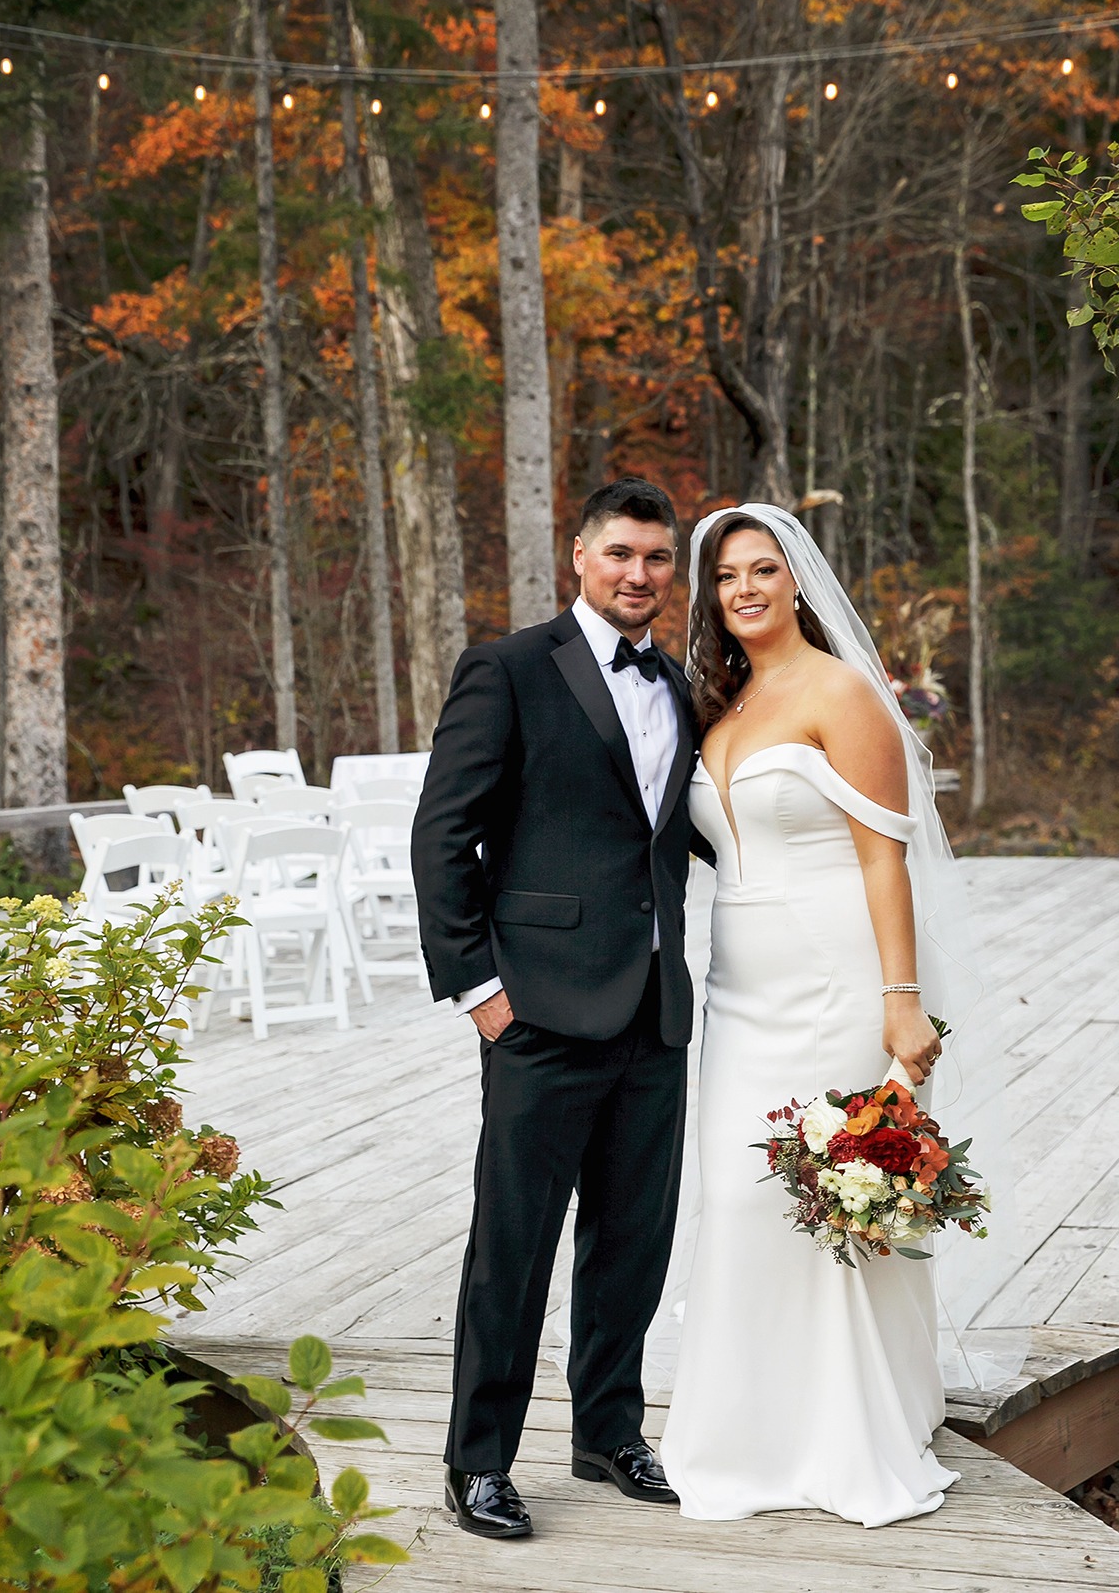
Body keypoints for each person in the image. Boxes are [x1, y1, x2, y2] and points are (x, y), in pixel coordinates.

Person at [411, 477, 706, 1542]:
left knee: (633, 1236)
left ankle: (607, 1429)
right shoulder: (507, 669)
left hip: (654, 1011)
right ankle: (477, 1461)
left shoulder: (678, 684)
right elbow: (442, 837)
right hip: (535, 1012)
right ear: (578, 556)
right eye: (619, 553)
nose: (638, 574)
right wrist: (481, 993)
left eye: (656, 559)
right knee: (515, 1242)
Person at [660, 502, 964, 1528]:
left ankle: (847, 1434)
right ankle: (743, 1434)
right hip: (738, 989)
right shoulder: (722, 705)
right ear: (709, 596)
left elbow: (885, 856)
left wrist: (900, 1000)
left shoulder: (842, 692)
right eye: (725, 577)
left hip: (836, 974)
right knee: (741, 1195)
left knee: (831, 1196)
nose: (743, 589)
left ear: (796, 582)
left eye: (761, 570)